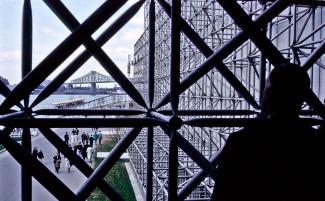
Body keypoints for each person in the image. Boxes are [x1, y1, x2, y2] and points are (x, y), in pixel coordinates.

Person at [211, 63, 323, 201]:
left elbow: (223, 194)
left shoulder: (241, 141)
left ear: (269, 93)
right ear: (303, 98)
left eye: (265, 87)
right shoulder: (316, 143)